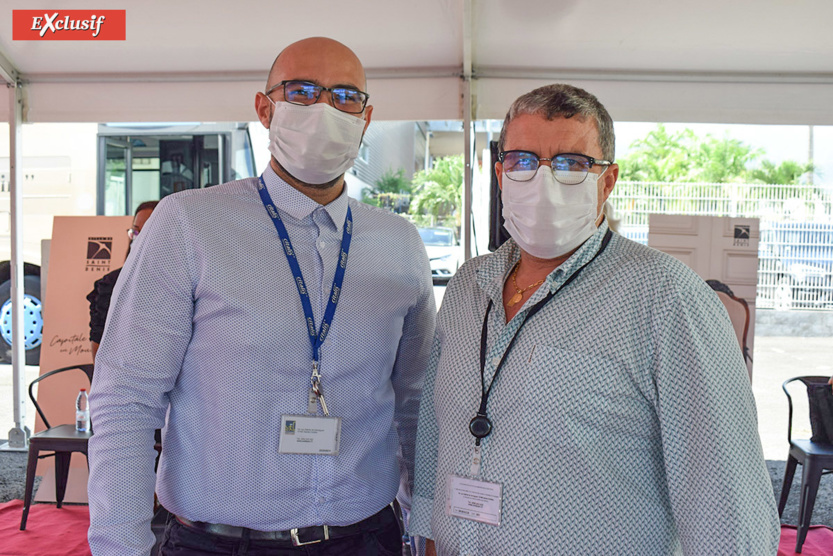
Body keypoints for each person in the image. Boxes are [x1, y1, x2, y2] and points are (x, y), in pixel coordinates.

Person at [88, 37, 436, 556]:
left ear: (366, 118)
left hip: (365, 538)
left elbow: (414, 403)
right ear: (264, 107)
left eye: (344, 96)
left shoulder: (400, 243)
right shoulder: (188, 224)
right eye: (302, 91)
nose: (324, 108)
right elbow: (126, 400)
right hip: (220, 544)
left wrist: (423, 522)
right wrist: (121, 547)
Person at [409, 84, 780, 555]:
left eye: (571, 163)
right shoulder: (466, 287)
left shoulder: (668, 298)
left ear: (607, 181)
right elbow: (437, 428)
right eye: (523, 160)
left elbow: (725, 492)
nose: (543, 181)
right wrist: (429, 532)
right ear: (501, 174)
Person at [87, 200, 159, 360]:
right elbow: (99, 349)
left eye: (146, 231)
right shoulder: (112, 284)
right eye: (135, 232)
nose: (137, 239)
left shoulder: (184, 285)